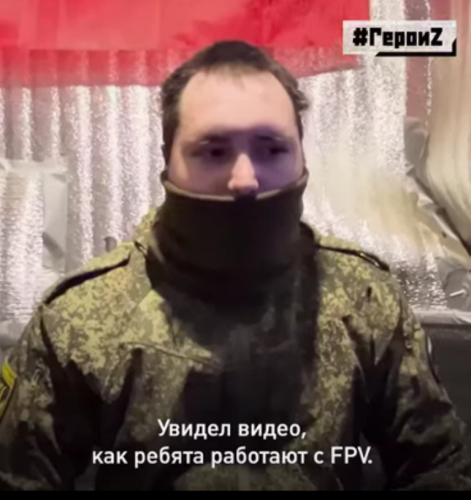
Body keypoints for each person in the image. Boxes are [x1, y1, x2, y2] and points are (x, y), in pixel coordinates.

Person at [0, 40, 470, 491]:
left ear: (301, 158)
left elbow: (441, 467)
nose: (245, 179)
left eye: (272, 148)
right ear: (168, 162)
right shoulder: (79, 320)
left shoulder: (364, 299)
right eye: (214, 151)